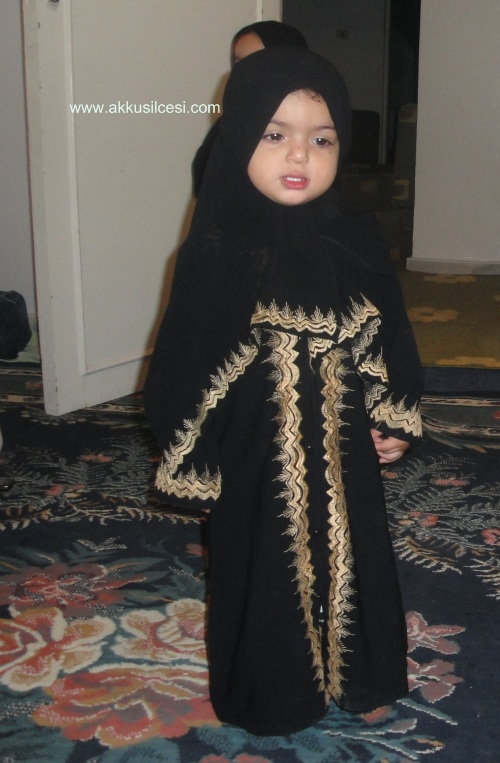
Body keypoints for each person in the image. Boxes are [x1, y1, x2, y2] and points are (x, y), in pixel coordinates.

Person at [146, 47, 423, 736]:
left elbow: (389, 331)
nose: (300, 153)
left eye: (322, 139)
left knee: (356, 548)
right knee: (262, 562)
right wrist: (194, 454)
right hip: (253, 450)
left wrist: (392, 413)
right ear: (239, 136)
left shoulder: (354, 240)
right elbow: (184, 360)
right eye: (275, 134)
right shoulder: (216, 249)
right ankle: (274, 691)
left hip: (345, 445)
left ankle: (362, 671)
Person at [192, 21, 308, 197]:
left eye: (259, 61)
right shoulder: (230, 125)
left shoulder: (315, 125)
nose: (246, 73)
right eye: (240, 63)